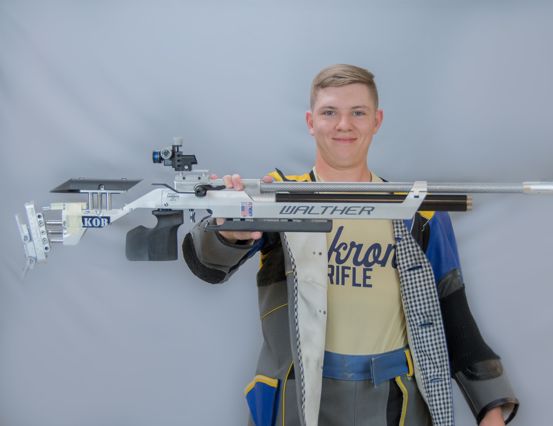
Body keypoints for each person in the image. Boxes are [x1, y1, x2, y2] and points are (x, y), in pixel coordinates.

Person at [182, 64, 519, 426]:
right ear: (311, 122)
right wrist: (227, 232)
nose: (344, 125)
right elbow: (208, 265)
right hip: (301, 398)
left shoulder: (417, 213)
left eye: (358, 112)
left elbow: (454, 314)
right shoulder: (279, 199)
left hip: (394, 403)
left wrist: (491, 410)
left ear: (377, 120)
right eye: (330, 112)